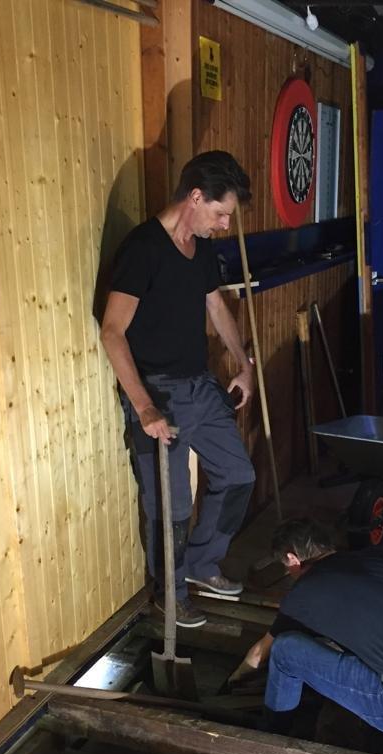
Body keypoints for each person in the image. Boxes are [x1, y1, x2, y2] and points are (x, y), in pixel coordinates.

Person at [101, 151, 256, 628]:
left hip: (200, 384)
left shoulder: (201, 248)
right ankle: (171, 593)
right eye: (221, 213)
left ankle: (202, 564)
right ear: (195, 197)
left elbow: (216, 307)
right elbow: (112, 332)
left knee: (238, 475)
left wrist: (244, 364)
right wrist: (144, 407)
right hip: (157, 393)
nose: (225, 224)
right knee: (171, 507)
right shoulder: (143, 249)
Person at [234, 519, 383, 737]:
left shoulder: (304, 593)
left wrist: (233, 682)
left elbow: (259, 654)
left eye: (286, 567)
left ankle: (273, 733)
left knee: (285, 651)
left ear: (292, 559)